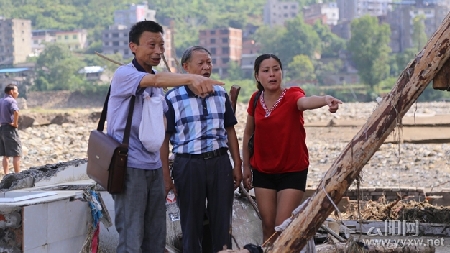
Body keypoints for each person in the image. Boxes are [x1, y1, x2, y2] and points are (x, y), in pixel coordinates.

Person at [107, 21, 224, 253]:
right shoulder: (126, 74)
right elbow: (157, 79)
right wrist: (192, 78)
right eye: (151, 45)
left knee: (156, 237)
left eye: (161, 45)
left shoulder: (158, 86)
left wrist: (164, 172)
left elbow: (162, 130)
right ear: (133, 46)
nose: (158, 51)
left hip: (152, 168)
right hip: (130, 167)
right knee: (131, 238)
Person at [242, 54, 342, 244]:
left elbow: (305, 102)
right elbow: (248, 134)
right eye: (266, 70)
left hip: (292, 170)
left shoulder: (292, 95)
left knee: (283, 226)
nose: (272, 74)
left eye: (276, 69)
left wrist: (325, 99)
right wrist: (246, 166)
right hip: (262, 171)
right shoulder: (255, 99)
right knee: (268, 226)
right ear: (257, 76)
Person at [161, 46, 242, 253]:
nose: (207, 67)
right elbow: (164, 139)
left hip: (219, 162)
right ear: (186, 67)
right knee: (191, 224)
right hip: (188, 164)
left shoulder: (221, 94)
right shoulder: (173, 98)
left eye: (209, 62)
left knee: (222, 223)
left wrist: (237, 164)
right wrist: (165, 177)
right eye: (201, 63)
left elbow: (230, 132)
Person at [0, 84, 21, 175]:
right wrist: (15, 124)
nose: (18, 93)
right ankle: (17, 175)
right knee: (16, 153)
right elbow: (16, 111)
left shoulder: (1, 100)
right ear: (11, 92)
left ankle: (6, 174)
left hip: (2, 128)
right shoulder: (11, 100)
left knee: (5, 155)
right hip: (10, 128)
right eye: (16, 91)